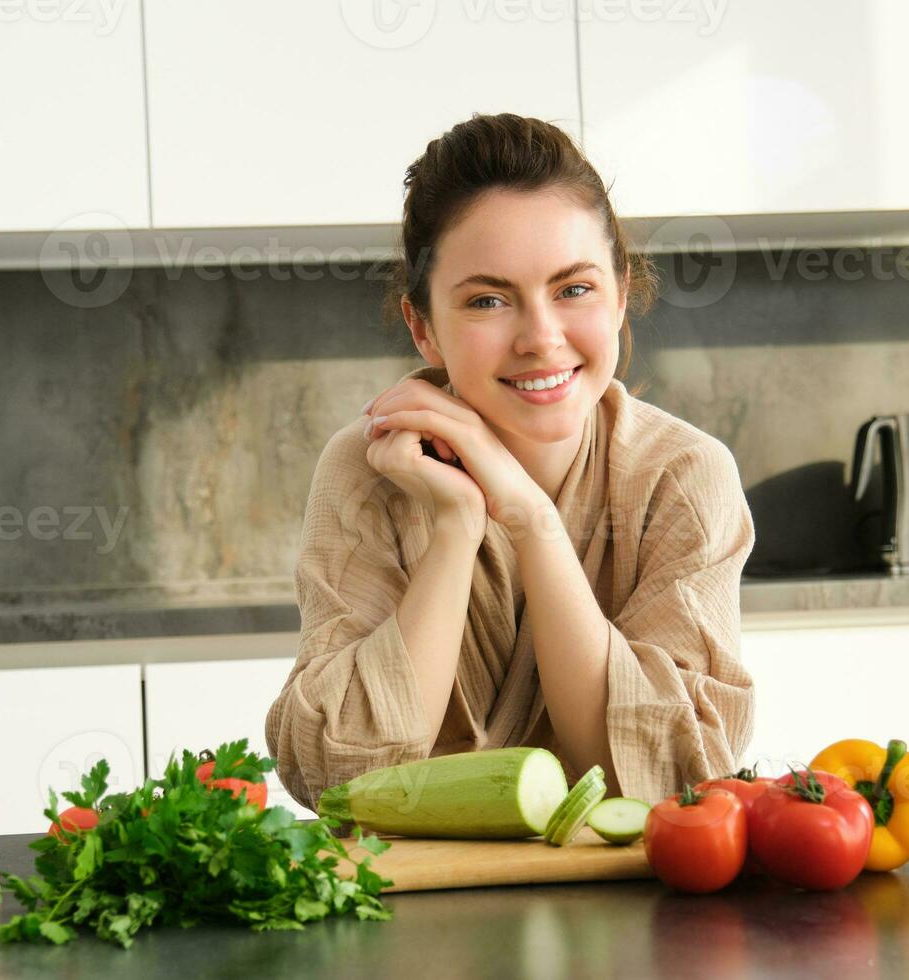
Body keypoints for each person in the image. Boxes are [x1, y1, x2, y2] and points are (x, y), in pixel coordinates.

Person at [266, 113, 755, 806]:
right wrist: (458, 526)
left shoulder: (683, 474)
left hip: (636, 907)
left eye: (574, 289)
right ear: (424, 328)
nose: (541, 338)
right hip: (412, 904)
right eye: (488, 300)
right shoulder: (370, 467)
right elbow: (337, 776)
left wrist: (530, 520)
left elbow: (673, 777)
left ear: (620, 295)